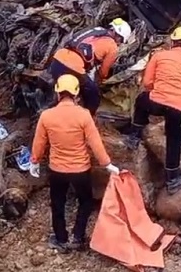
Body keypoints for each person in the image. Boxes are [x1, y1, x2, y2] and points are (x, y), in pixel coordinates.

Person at [30, 74, 120, 252]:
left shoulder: (46, 116)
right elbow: (95, 143)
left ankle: (61, 239)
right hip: (80, 170)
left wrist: (34, 161)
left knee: (57, 204)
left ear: (57, 94)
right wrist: (107, 164)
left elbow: (39, 143)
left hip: (57, 171)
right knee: (85, 202)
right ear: (76, 95)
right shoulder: (84, 115)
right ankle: (78, 237)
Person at [124, 26, 181, 194]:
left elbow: (148, 82)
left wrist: (158, 90)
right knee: (175, 139)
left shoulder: (159, 56)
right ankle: (172, 177)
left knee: (142, 100)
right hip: (178, 108)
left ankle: (134, 136)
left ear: (172, 41)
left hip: (157, 102)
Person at [48, 18, 133, 115]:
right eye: (121, 40)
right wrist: (102, 81)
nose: (119, 43)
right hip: (73, 68)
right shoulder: (112, 46)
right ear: (117, 35)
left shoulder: (96, 30)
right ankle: (88, 117)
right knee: (93, 94)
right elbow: (103, 72)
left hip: (57, 59)